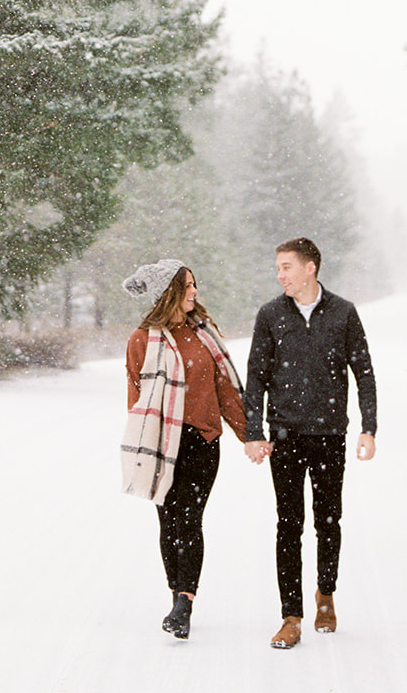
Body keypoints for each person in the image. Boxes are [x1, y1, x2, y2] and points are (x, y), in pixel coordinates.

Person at [243, 236, 377, 650]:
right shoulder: (270, 315)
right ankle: (291, 616)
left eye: (286, 266)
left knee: (328, 521)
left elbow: (364, 373)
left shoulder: (343, 313)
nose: (280, 274)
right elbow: (256, 378)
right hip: (284, 435)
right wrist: (254, 432)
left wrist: (368, 428)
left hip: (329, 435)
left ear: (310, 268)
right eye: (278, 267)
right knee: (288, 525)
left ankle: (325, 594)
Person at [121, 258, 247, 640]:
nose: (195, 291)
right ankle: (177, 595)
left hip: (203, 441)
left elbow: (226, 390)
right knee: (168, 521)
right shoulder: (142, 340)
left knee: (189, 519)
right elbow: (136, 401)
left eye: (195, 284)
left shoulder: (205, 334)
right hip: (162, 443)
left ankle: (184, 603)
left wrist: (252, 435)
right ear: (168, 293)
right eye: (187, 285)